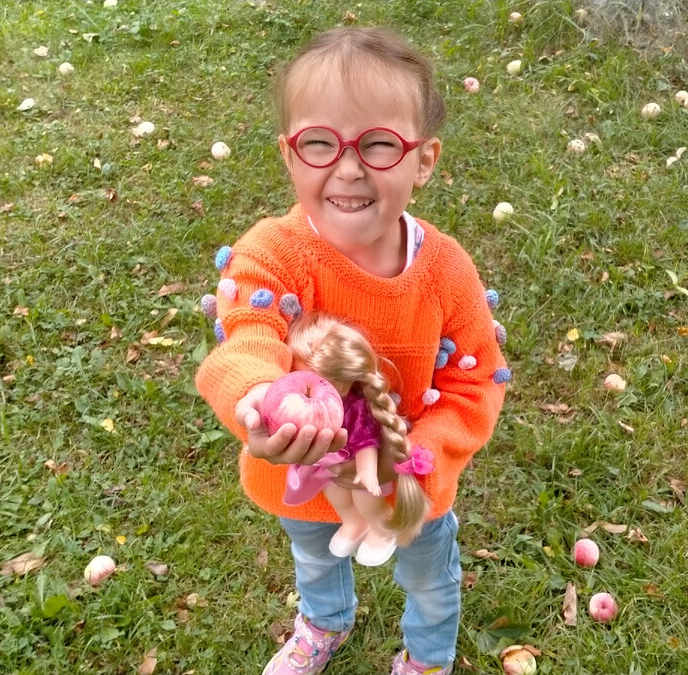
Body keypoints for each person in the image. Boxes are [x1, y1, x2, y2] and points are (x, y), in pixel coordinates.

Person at [193, 25, 511, 675]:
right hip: (305, 478)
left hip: (412, 488)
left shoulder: (446, 271)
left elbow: (474, 381)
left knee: (429, 577)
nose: (347, 167)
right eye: (320, 142)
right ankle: (324, 622)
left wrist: (418, 465)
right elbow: (249, 334)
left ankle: (427, 658)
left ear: (424, 160)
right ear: (288, 155)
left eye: (379, 144)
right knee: (315, 556)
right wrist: (258, 396)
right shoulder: (272, 255)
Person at [281, 313, 431, 568]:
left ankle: (381, 527)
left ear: (342, 386)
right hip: (327, 466)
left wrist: (367, 471)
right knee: (336, 495)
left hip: (357, 467)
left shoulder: (355, 410)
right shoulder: (308, 405)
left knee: (366, 500)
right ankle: (354, 522)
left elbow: (365, 442)